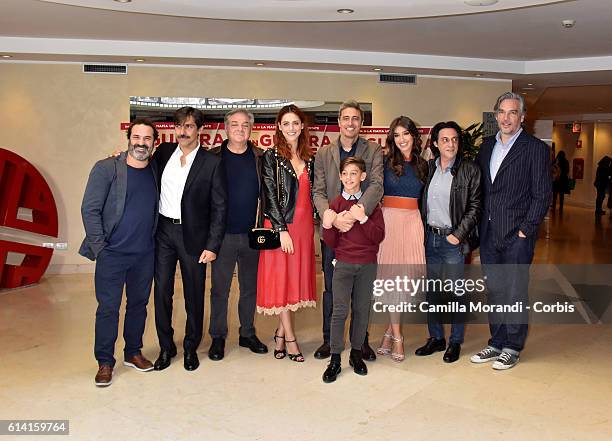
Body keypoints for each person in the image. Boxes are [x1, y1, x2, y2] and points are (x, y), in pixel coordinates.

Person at [472, 92, 551, 370]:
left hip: (517, 235)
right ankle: (496, 342)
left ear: (522, 116)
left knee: (515, 290)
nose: (506, 118)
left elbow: (542, 195)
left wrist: (525, 231)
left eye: (512, 112)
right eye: (502, 112)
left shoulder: (535, 149)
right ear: (495, 116)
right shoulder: (485, 148)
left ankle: (513, 347)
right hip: (489, 233)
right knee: (494, 290)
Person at [80, 118, 159, 387]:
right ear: (128, 139)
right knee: (108, 309)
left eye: (147, 138)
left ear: (154, 143)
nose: (141, 143)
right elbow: (89, 209)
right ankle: (104, 361)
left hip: (144, 254)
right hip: (112, 254)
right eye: (137, 137)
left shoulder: (154, 171)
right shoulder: (107, 168)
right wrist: (101, 247)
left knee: (138, 306)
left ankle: (133, 352)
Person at [152, 107, 227, 372]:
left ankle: (190, 347)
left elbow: (220, 207)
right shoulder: (162, 154)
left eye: (189, 127)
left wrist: (212, 245)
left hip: (193, 237)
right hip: (163, 233)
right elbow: (137, 165)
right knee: (161, 292)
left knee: (194, 294)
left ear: (199, 130)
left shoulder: (211, 163)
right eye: (179, 127)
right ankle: (165, 346)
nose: (183, 132)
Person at [312, 100, 384, 361]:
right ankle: (329, 341)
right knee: (333, 288)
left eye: (355, 118)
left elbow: (377, 185)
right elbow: (318, 191)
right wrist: (329, 215)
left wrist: (356, 213)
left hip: (360, 226)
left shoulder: (373, 150)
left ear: (361, 123)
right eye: (346, 118)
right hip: (333, 230)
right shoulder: (323, 153)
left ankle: (360, 342)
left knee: (361, 293)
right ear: (338, 121)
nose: (350, 123)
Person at [415, 121, 482, 363]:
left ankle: (454, 341)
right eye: (445, 139)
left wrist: (458, 235)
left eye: (454, 139)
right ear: (435, 143)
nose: (450, 144)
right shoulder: (428, 168)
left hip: (453, 241)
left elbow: (475, 208)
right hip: (429, 239)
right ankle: (436, 338)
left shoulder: (469, 169)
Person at [256, 104, 316, 362]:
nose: (291, 128)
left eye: (295, 123)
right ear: (279, 127)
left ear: (302, 126)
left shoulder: (310, 158)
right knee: (282, 283)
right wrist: (281, 230)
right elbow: (269, 195)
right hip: (282, 228)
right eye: (286, 123)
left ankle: (280, 334)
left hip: (303, 229)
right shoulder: (271, 157)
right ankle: (290, 338)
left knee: (293, 282)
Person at [207, 109, 268, 361]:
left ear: (251, 129)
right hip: (221, 236)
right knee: (219, 289)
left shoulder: (260, 157)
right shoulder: (212, 158)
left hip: (252, 235)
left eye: (245, 125)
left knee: (249, 289)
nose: (240, 129)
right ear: (225, 128)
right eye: (235, 124)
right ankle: (218, 337)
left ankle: (247, 333)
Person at [320, 157, 385, 383]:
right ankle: (335, 358)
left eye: (354, 173)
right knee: (339, 311)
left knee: (361, 309)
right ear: (340, 177)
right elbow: (330, 241)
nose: (349, 178)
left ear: (363, 176)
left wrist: (364, 219)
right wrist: (327, 225)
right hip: (344, 264)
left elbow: (379, 236)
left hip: (367, 264)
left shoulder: (370, 205)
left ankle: (356, 354)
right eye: (345, 173)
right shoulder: (335, 204)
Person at [375, 116, 428, 362]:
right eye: (396, 135)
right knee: (391, 281)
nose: (401, 139)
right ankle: (398, 336)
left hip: (412, 223)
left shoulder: (423, 164)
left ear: (414, 136)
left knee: (403, 283)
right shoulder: (385, 162)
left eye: (405, 134)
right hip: (390, 223)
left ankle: (389, 332)